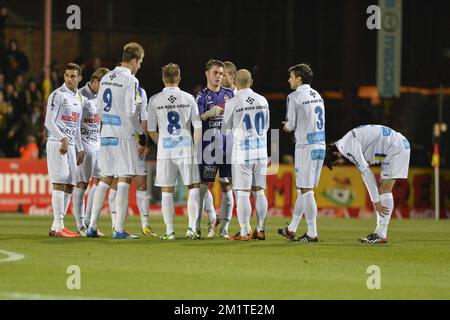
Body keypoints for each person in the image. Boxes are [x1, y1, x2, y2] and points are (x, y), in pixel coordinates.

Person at [87, 42, 145, 239]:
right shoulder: (131, 80)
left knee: (105, 178)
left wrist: (108, 123)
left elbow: (100, 108)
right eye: (140, 62)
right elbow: (130, 113)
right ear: (134, 60)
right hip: (122, 135)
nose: (140, 67)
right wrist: (141, 134)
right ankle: (119, 229)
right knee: (124, 178)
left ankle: (92, 226)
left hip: (106, 133)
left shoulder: (106, 77)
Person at [324, 125, 411, 243]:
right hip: (395, 145)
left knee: (384, 189)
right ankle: (380, 233)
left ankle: (381, 234)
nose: (340, 165)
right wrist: (375, 199)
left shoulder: (347, 147)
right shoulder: (346, 142)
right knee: (383, 189)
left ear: (335, 154)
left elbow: (366, 172)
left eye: (336, 163)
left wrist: (375, 201)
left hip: (396, 148)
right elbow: (364, 172)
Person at [147, 63, 202, 240]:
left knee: (167, 190)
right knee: (192, 186)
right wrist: (195, 147)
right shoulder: (188, 98)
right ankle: (192, 228)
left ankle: (169, 231)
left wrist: (162, 143)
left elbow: (151, 130)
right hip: (186, 147)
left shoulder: (155, 99)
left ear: (163, 78)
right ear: (179, 78)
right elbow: (198, 126)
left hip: (166, 150)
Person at [278, 64, 325, 243]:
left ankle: (312, 233)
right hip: (320, 144)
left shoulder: (294, 96)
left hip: (306, 146)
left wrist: (286, 126)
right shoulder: (317, 95)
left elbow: (290, 125)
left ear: (299, 78)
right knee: (304, 189)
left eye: (291, 76)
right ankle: (291, 229)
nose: (289, 79)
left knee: (306, 190)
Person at [222, 69, 270, 241]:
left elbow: (225, 129)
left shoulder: (232, 102)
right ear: (252, 81)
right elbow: (266, 126)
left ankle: (244, 232)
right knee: (259, 192)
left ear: (234, 81)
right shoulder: (263, 100)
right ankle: (261, 229)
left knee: (242, 193)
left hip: (243, 152)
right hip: (261, 151)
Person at [44, 63, 85, 237]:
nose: (69, 79)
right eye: (67, 75)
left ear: (80, 78)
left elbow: (75, 125)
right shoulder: (57, 95)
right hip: (57, 143)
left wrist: (80, 147)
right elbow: (48, 122)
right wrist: (62, 138)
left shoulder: (80, 98)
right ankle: (59, 226)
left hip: (71, 145)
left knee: (69, 184)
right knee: (60, 182)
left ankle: (57, 225)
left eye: (73, 76)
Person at [196, 59, 235, 239]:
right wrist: (207, 114)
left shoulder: (229, 94)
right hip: (208, 148)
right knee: (203, 187)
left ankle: (225, 228)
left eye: (221, 74)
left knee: (227, 186)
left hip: (227, 147)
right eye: (216, 73)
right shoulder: (202, 96)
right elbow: (196, 121)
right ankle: (203, 222)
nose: (219, 77)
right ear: (207, 73)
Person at [71, 67, 109, 236]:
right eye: (103, 84)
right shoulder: (80, 96)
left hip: (98, 144)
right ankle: (80, 225)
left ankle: (89, 222)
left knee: (101, 181)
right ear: (94, 81)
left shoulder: (102, 96)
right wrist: (78, 147)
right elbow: (75, 124)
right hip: (84, 145)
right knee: (82, 184)